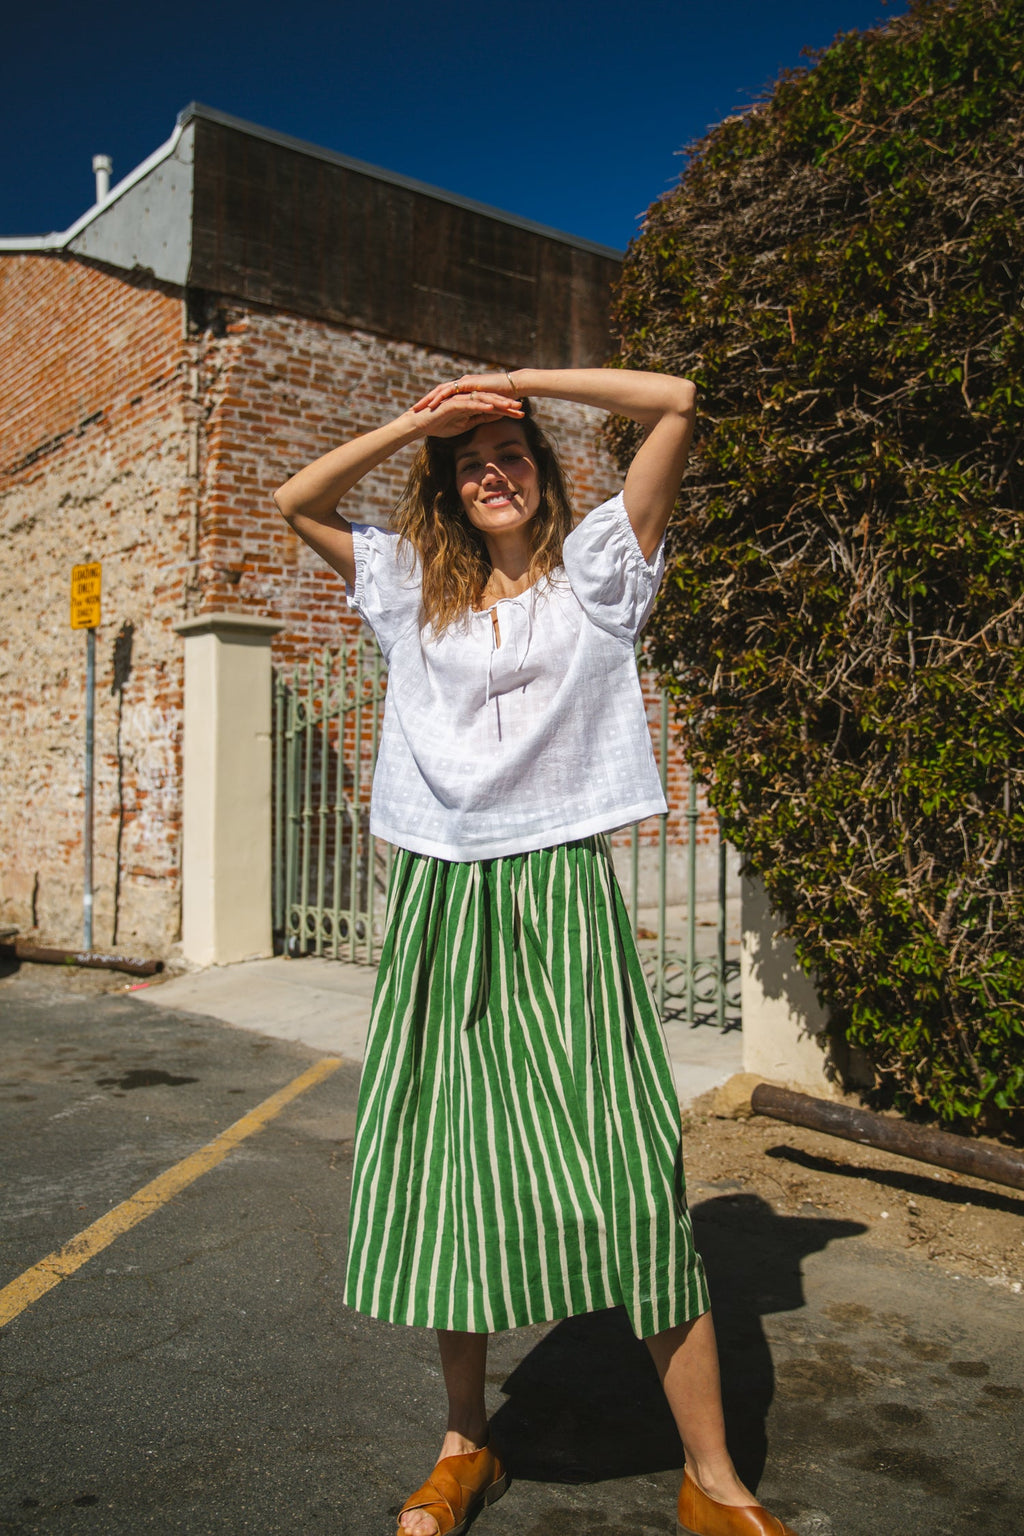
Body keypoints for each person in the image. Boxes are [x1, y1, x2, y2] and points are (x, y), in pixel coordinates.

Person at [274, 367, 797, 1536]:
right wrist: (420, 423)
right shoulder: (410, 590)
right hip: (439, 898)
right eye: (469, 466)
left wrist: (510, 386)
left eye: (508, 456)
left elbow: (676, 402)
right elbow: (296, 498)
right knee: (451, 1164)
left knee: (622, 1169)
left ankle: (712, 1481)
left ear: (543, 477)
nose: (489, 473)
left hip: (559, 891)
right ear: (450, 492)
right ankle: (467, 1445)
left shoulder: (599, 578)